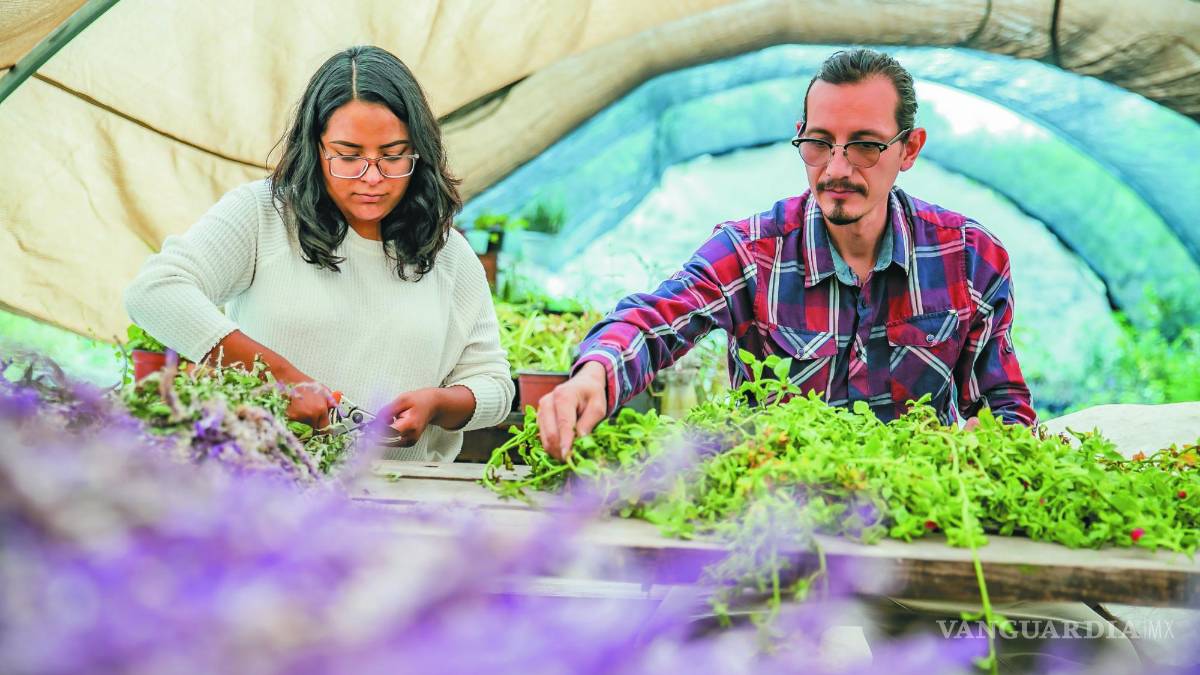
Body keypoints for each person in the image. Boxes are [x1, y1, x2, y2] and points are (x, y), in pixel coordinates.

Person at [537, 48, 1036, 459]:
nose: (835, 169)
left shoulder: (969, 258)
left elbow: (1004, 405)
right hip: (778, 514)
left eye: (864, 145)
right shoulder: (753, 252)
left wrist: (992, 437)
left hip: (921, 518)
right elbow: (657, 319)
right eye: (819, 143)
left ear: (909, 149)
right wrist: (595, 374)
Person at [125, 45, 513, 461]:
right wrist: (280, 378)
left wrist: (437, 404)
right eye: (348, 156)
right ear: (315, 147)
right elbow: (155, 291)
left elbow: (494, 384)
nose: (372, 177)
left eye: (392, 156)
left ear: (419, 152)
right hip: (264, 482)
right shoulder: (263, 215)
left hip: (404, 490)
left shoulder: (448, 252)